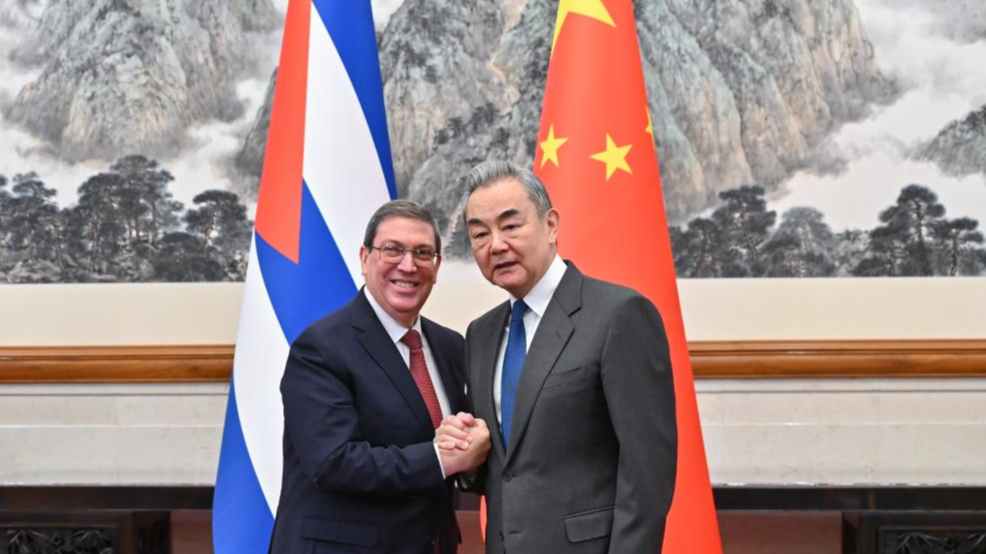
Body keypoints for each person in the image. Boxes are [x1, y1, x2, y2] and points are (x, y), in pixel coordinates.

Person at [438, 161, 677, 553]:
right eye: (480, 234)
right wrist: (464, 457)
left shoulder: (619, 314)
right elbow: (508, 467)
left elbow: (646, 474)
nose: (496, 244)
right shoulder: (480, 334)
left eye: (511, 226)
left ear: (550, 225)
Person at [270, 200, 491, 554]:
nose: (408, 265)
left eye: (423, 253)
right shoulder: (321, 348)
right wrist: (440, 458)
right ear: (364, 258)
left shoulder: (450, 346)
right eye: (392, 250)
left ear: (436, 267)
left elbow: (456, 443)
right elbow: (333, 461)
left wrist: (473, 441)